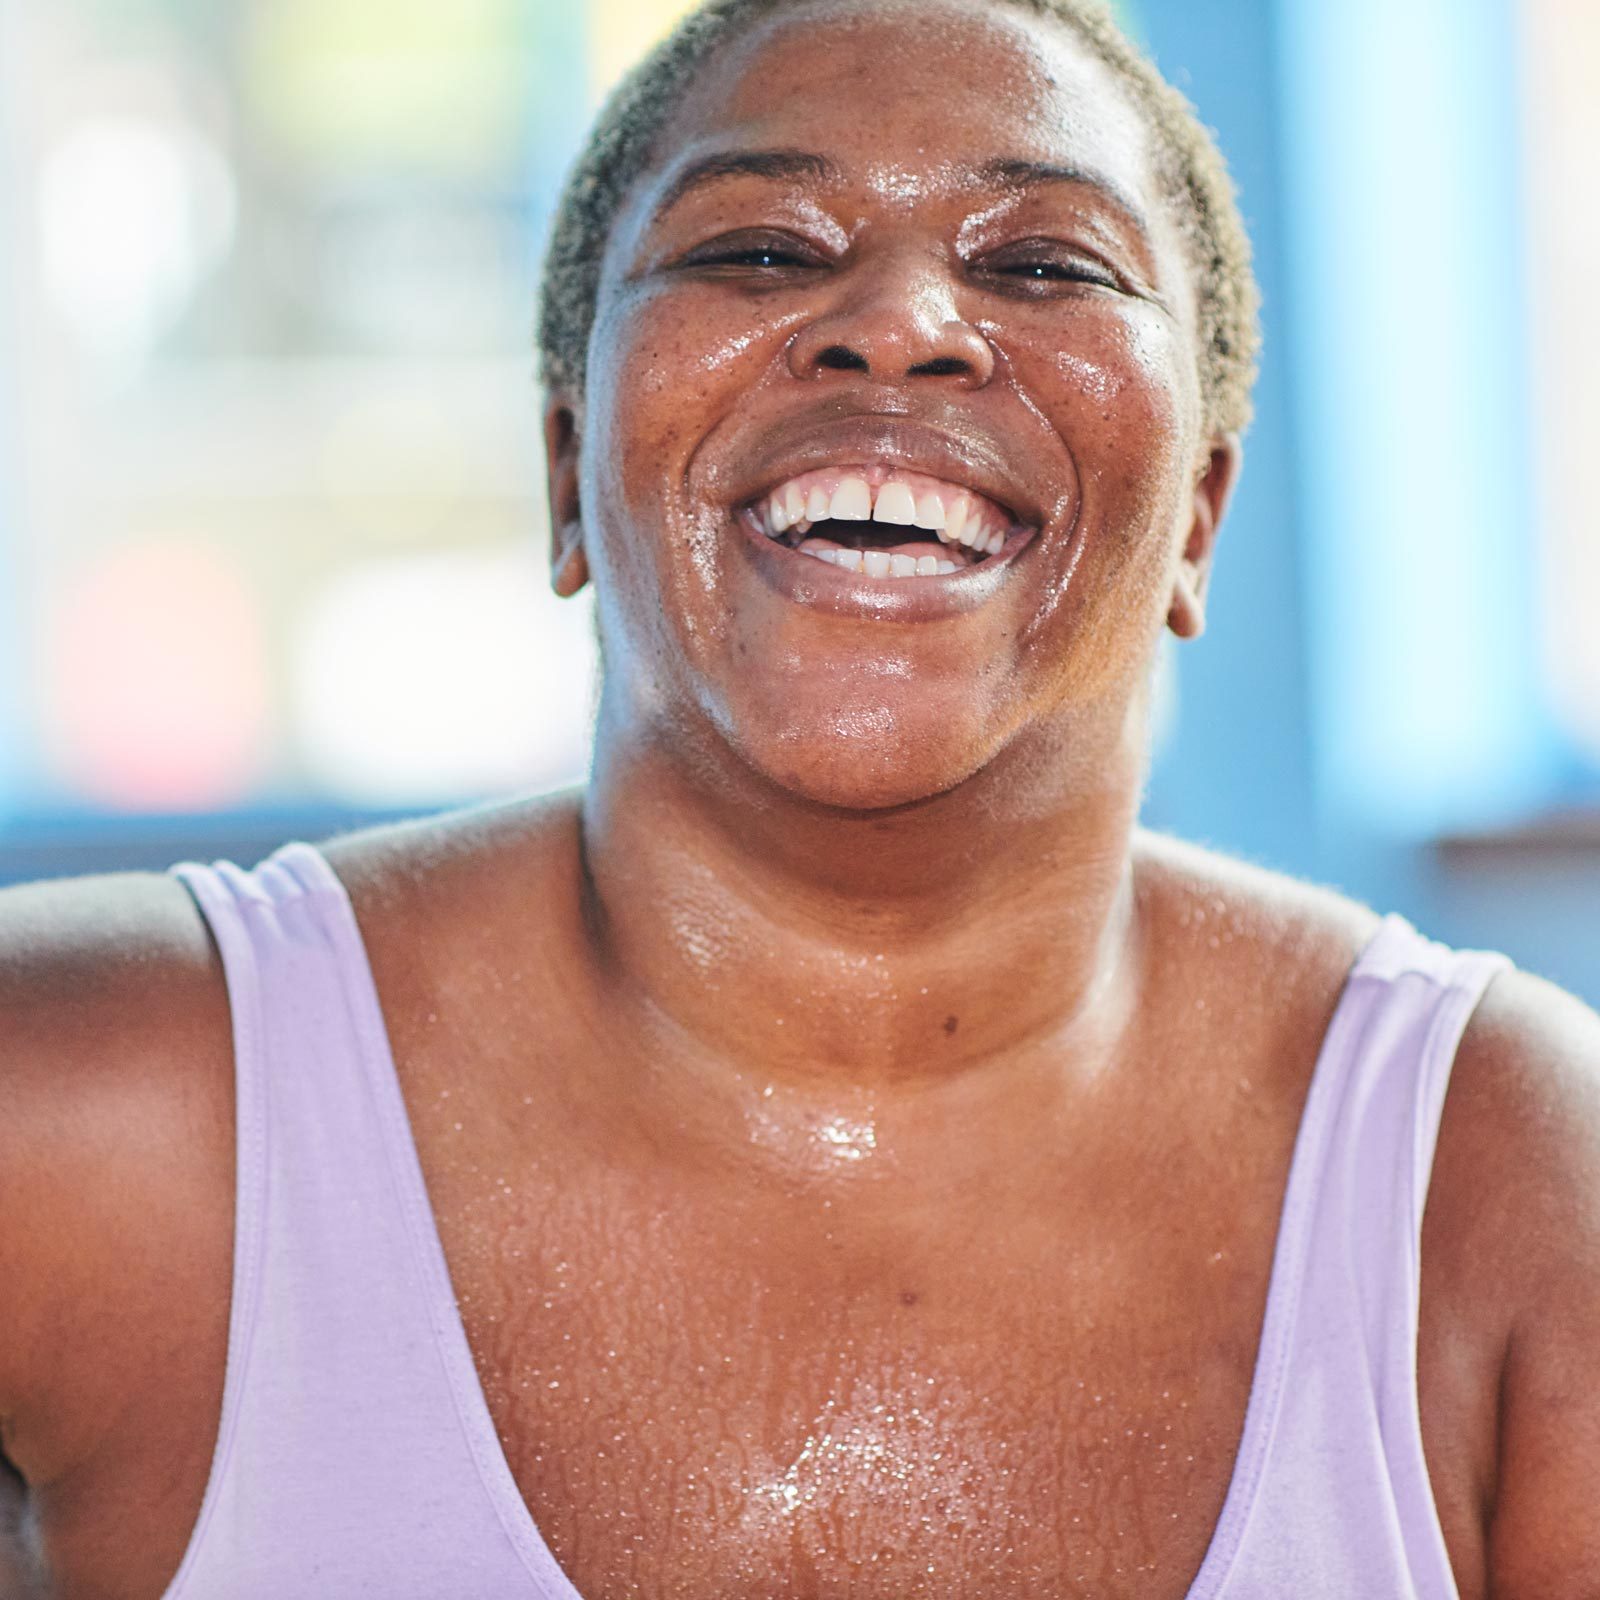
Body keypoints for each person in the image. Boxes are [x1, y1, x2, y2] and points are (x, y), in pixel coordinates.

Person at [2, 0, 1597, 1593]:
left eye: (1044, 264)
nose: (898, 323)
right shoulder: (81, 1121)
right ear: (568, 469)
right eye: (758, 249)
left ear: (1197, 517)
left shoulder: (1516, 1187)